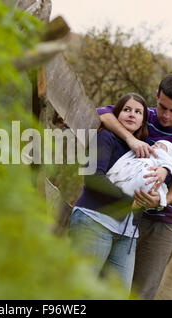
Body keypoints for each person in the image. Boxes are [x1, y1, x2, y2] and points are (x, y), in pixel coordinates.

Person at [97, 74, 172, 299]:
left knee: (140, 290)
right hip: (127, 212)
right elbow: (103, 114)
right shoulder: (143, 115)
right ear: (156, 96)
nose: (165, 115)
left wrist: (160, 201)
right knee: (107, 282)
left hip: (163, 223)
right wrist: (131, 139)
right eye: (162, 106)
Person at [69, 92, 148, 293]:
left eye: (138, 112)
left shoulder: (141, 152)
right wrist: (128, 202)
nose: (132, 114)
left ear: (143, 121)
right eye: (126, 110)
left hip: (127, 233)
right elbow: (93, 178)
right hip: (94, 220)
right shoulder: (106, 137)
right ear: (117, 113)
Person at [107, 140, 172, 208]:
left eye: (162, 147)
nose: (157, 146)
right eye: (156, 144)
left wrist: (165, 169)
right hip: (135, 169)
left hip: (148, 173)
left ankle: (126, 196)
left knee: (146, 180)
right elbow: (129, 157)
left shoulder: (165, 158)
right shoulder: (145, 150)